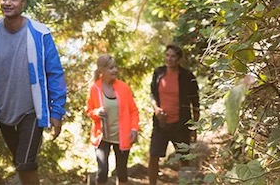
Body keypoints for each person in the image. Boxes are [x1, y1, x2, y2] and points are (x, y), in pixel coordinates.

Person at [0, 0, 67, 185]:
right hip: (4, 111)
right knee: (21, 163)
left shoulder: (39, 33)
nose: (8, 2)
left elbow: (55, 74)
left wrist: (57, 111)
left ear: (23, 3)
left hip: (32, 110)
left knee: (26, 163)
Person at [148, 44, 200, 184]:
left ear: (179, 59)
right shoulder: (158, 73)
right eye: (167, 55)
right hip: (161, 124)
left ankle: (186, 182)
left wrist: (194, 128)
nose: (169, 59)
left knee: (184, 158)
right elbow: (152, 94)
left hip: (181, 125)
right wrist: (156, 109)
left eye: (173, 56)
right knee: (153, 156)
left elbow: (195, 104)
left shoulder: (187, 76)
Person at [86, 54, 139, 185]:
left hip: (122, 136)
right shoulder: (94, 88)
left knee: (122, 173)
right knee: (102, 172)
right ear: (101, 71)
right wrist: (96, 112)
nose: (114, 70)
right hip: (102, 137)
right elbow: (88, 110)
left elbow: (134, 111)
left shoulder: (123, 88)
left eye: (115, 67)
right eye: (110, 68)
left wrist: (134, 129)